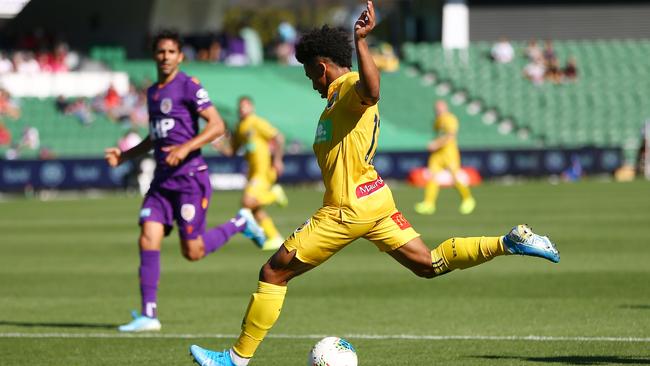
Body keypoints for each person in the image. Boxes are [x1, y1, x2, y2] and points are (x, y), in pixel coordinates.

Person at [189, 2, 560, 365]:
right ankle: (510, 241)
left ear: (321, 67)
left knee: (273, 272)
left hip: (346, 209)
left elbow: (371, 90)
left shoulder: (349, 89)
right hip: (374, 200)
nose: (312, 85)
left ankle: (235, 360)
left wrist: (362, 41)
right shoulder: (335, 101)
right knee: (428, 264)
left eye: (310, 76)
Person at [104, 30, 267, 333]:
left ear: (180, 56)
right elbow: (155, 137)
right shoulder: (153, 93)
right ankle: (148, 314)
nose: (165, 57)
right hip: (162, 182)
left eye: (171, 52)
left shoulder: (189, 86)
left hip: (190, 179)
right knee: (147, 238)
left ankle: (240, 222)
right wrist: (125, 156)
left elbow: (217, 125)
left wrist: (186, 147)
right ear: (155, 55)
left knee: (192, 252)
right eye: (160, 51)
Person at [227, 96, 288, 250]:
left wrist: (278, 160)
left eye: (246, 106)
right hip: (253, 173)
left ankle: (275, 195)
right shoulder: (240, 127)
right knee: (254, 209)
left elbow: (279, 137)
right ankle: (275, 237)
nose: (242, 109)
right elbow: (232, 151)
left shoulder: (256, 122)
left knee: (246, 202)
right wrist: (219, 144)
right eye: (240, 106)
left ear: (251, 108)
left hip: (263, 171)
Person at [414, 100, 476, 215]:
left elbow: (450, 136)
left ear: (446, 108)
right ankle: (429, 204)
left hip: (449, 152)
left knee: (455, 177)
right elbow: (439, 134)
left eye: (440, 108)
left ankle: (468, 199)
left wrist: (435, 144)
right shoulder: (437, 121)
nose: (438, 111)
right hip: (438, 154)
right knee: (432, 176)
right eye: (436, 109)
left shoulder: (450, 119)